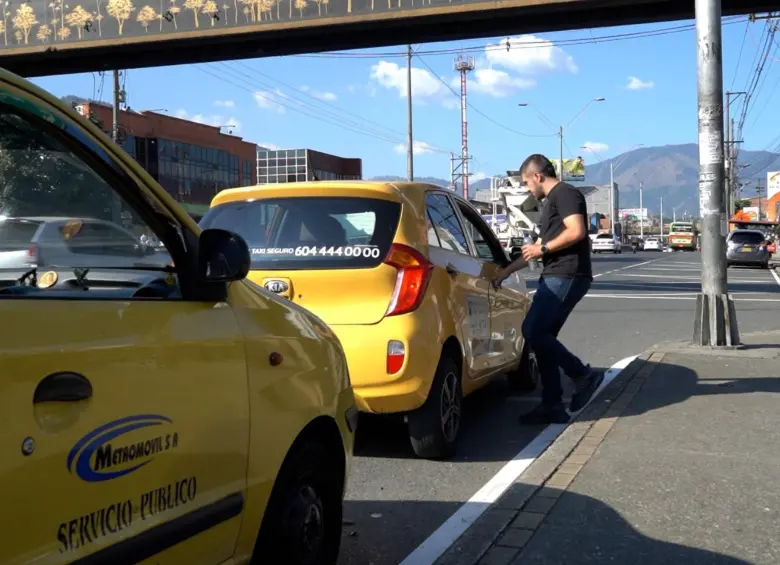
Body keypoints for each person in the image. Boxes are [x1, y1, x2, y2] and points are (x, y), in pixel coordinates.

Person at [493, 154, 603, 425]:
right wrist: (506, 271)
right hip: (556, 274)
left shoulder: (566, 193)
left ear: (538, 176)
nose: (528, 189)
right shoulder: (551, 202)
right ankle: (552, 404)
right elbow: (538, 247)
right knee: (544, 339)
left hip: (567, 274)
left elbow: (576, 231)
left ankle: (583, 375)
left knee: (532, 330)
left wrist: (542, 248)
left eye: (527, 183)